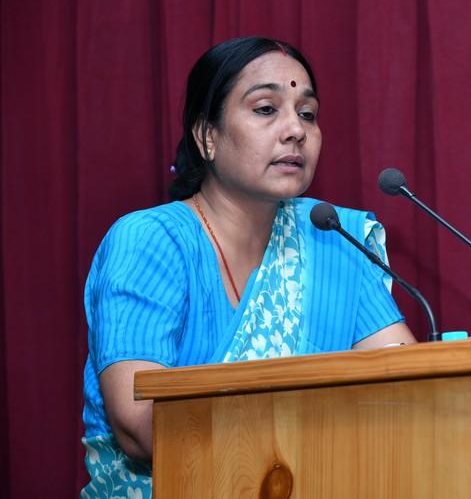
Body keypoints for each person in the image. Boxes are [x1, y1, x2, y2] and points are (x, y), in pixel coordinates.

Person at [80, 36, 416, 498]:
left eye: (307, 114)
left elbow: (409, 395)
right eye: (265, 109)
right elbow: (142, 427)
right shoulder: (150, 242)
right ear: (207, 136)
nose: (295, 130)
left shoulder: (331, 240)